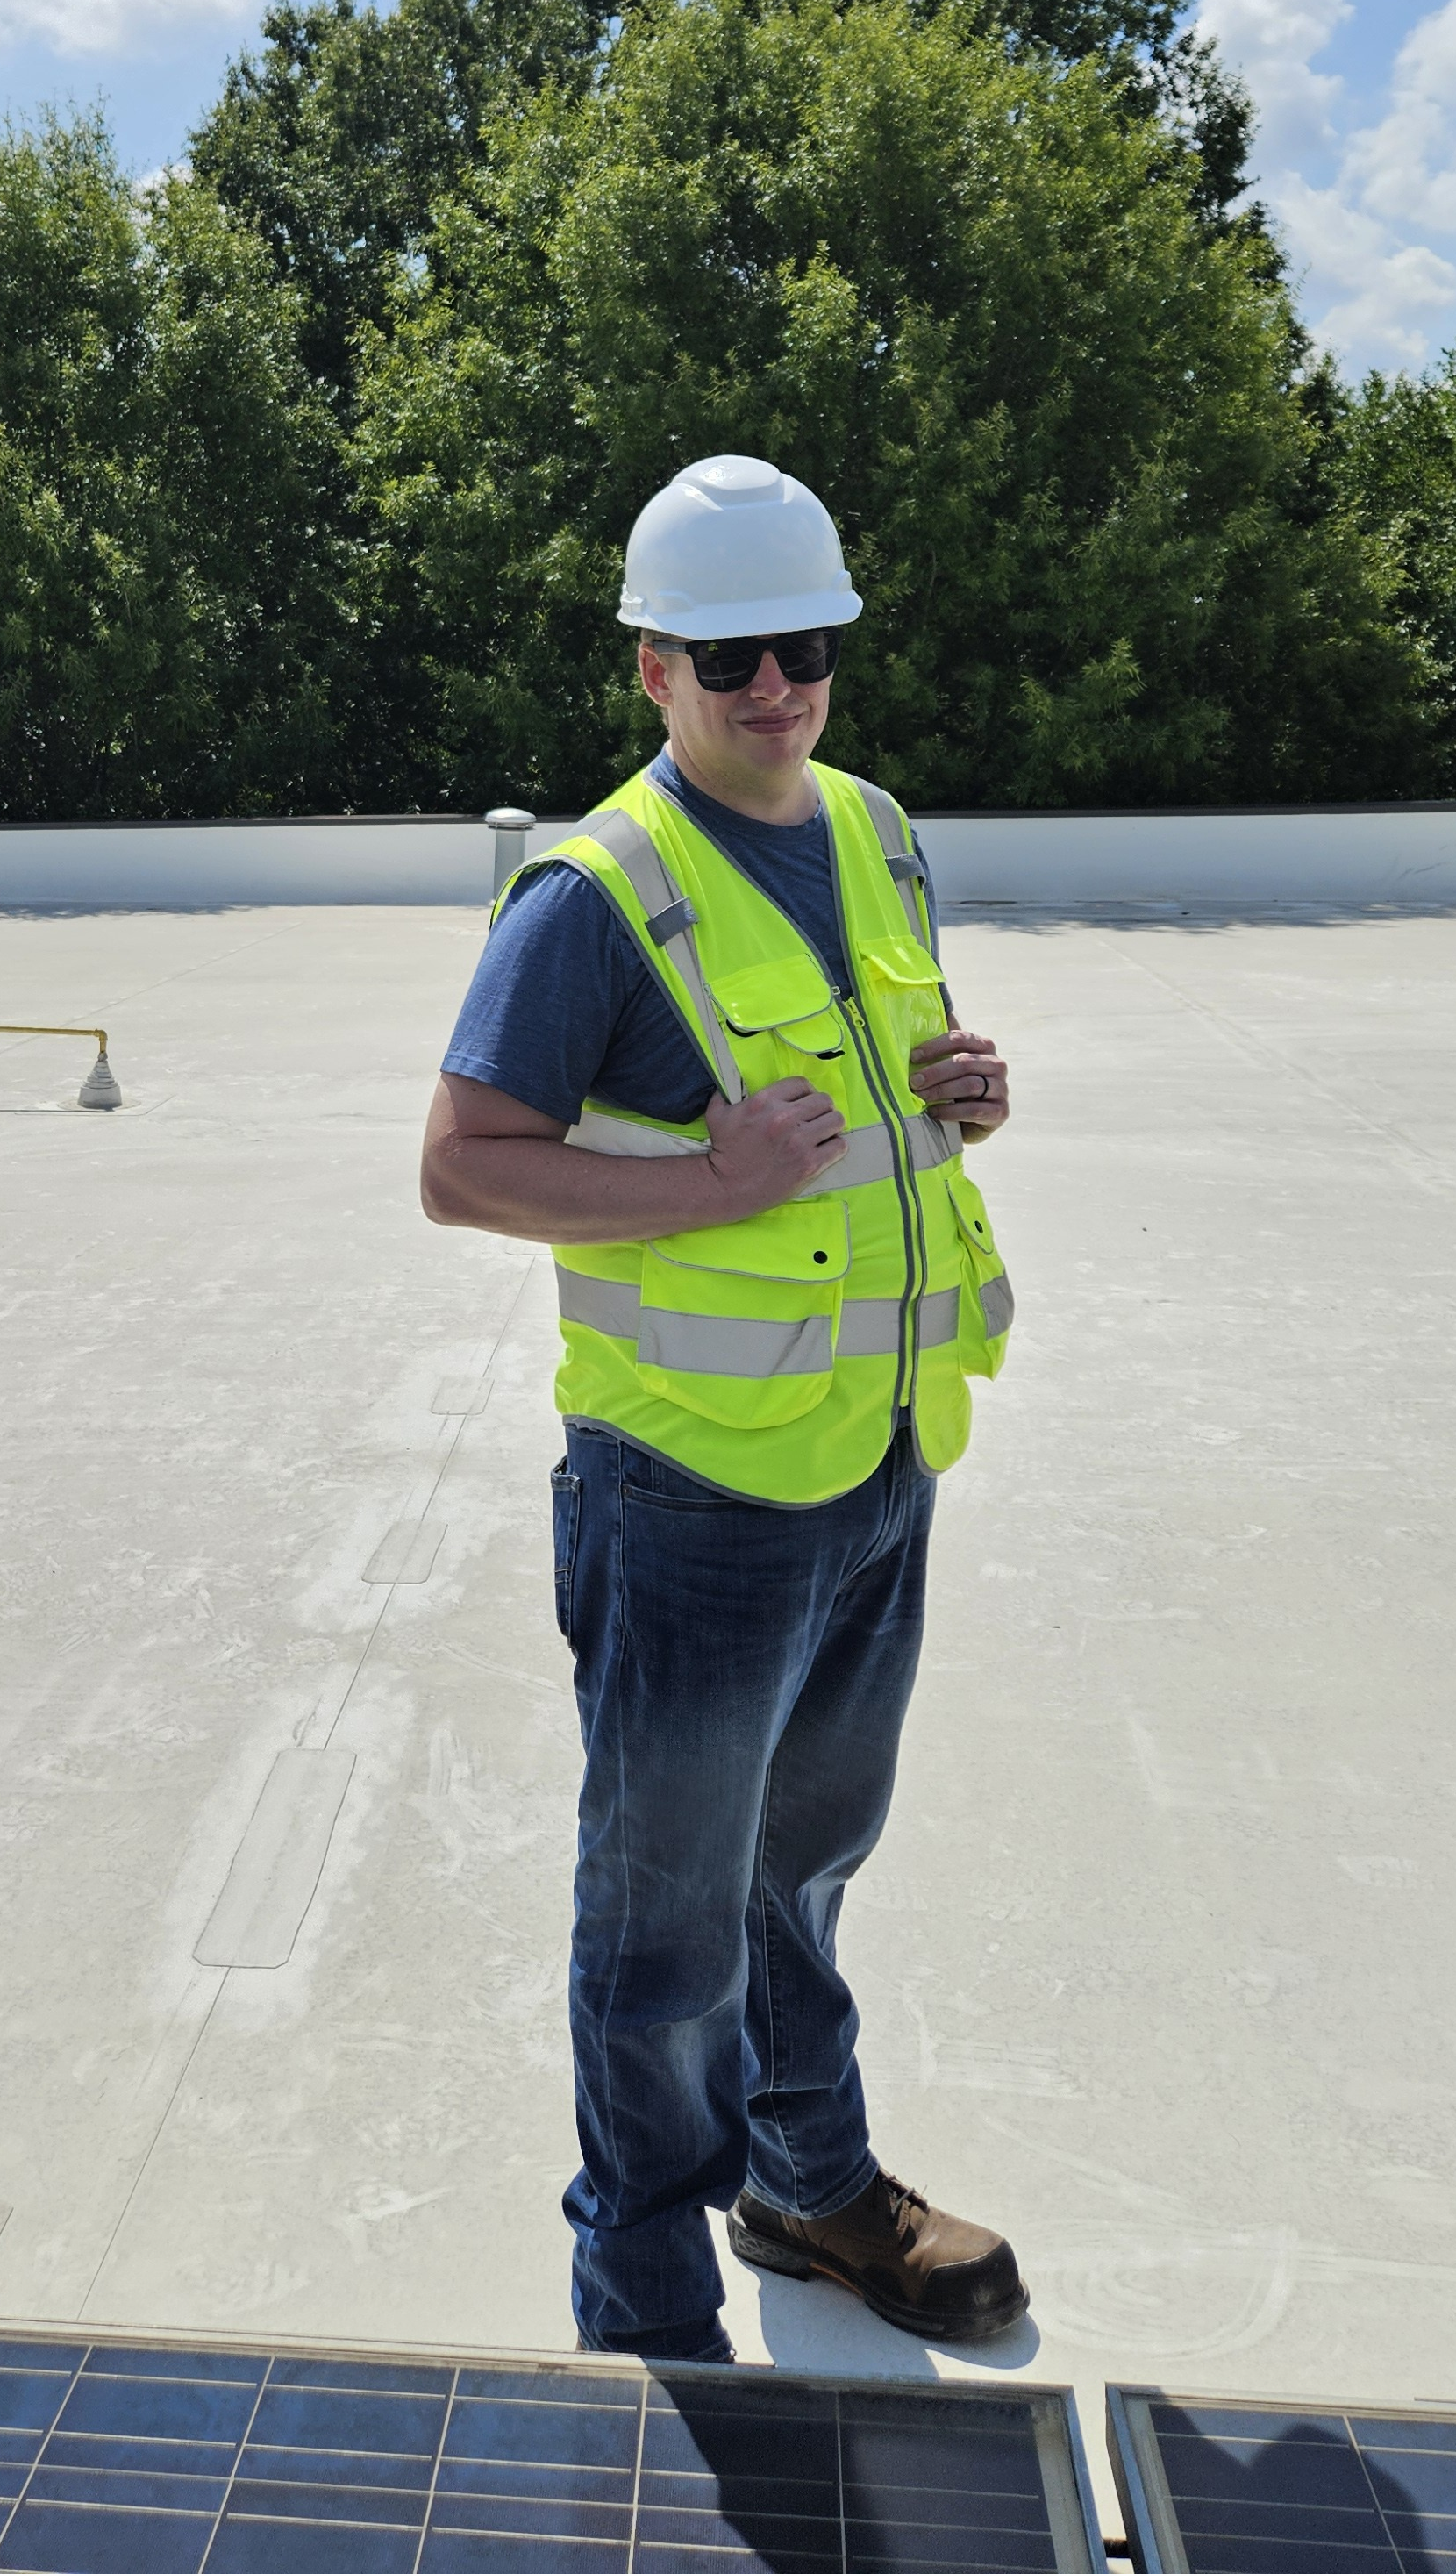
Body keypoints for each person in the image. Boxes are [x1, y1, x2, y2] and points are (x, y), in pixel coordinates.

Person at [420, 453, 1026, 2364]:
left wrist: (964, 1089)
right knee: (664, 1930)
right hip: (689, 1499)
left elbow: (863, 1097)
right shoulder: (591, 895)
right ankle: (649, 2307)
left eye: (807, 644)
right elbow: (461, 1166)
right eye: (729, 652)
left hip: (876, 1458)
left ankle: (809, 2178)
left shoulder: (874, 827)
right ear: (653, 667)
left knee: (807, 1865)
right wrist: (706, 1185)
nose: (775, 684)